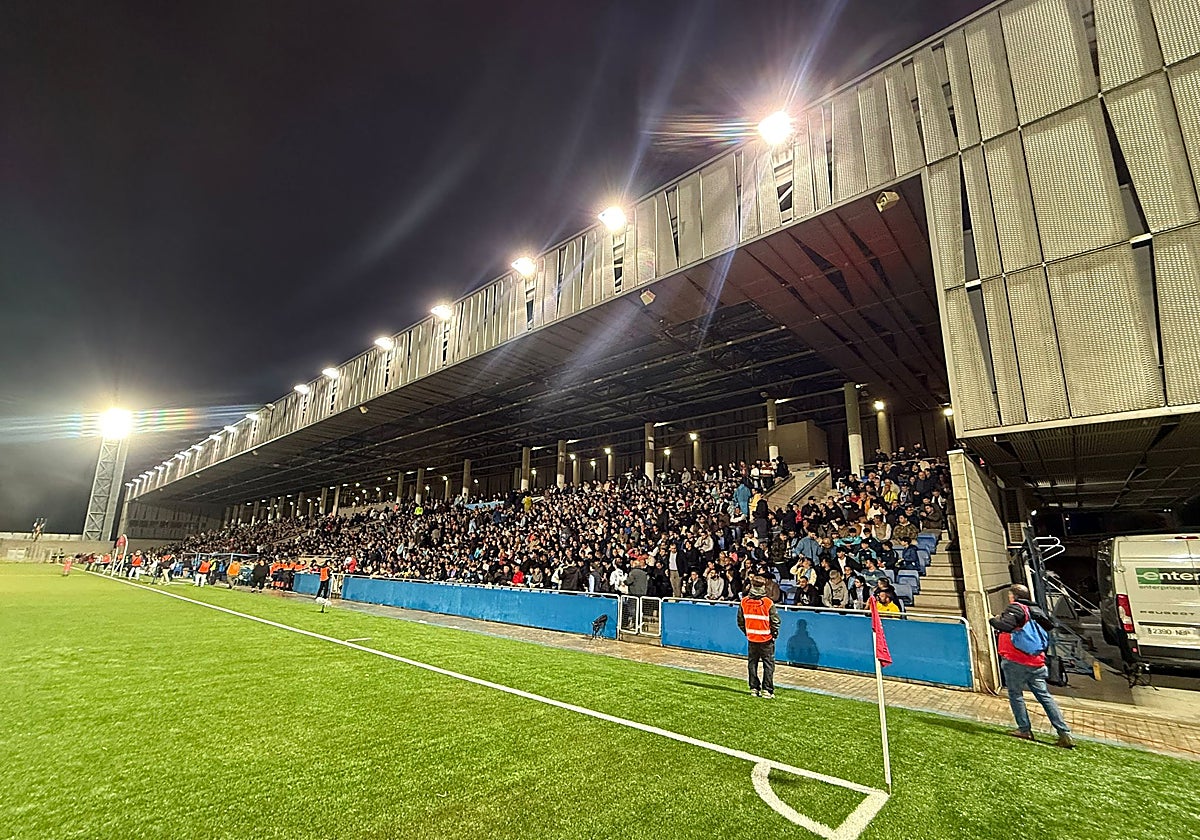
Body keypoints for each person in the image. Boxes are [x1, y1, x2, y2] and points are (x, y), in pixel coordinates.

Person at [989, 584, 1074, 748]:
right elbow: (1049, 626)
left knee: (1016, 695)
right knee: (1045, 697)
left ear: (1013, 596)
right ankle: (1064, 732)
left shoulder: (1016, 608)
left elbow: (1004, 626)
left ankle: (1024, 729)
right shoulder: (1037, 610)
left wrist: (992, 619)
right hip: (1037, 660)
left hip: (1017, 660)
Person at [737, 574, 781, 698]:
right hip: (766, 639)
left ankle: (754, 688)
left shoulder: (744, 601)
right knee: (768, 664)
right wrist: (774, 634)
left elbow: (740, 621)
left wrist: (748, 632)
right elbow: (775, 621)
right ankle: (767, 690)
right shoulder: (767, 602)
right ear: (763, 586)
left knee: (752, 663)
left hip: (752, 638)